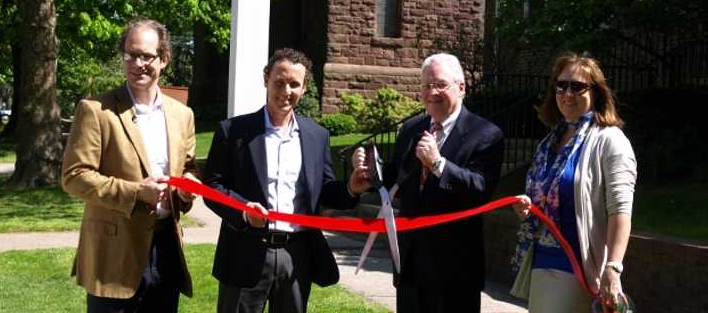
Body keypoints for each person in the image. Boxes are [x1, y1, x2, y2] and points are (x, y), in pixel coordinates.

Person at [202, 48, 371, 313]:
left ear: (304, 88)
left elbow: (323, 192)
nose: (286, 90)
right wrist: (245, 213)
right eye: (279, 82)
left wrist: (351, 187)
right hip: (245, 252)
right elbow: (213, 187)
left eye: (294, 84)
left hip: (297, 255)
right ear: (266, 79)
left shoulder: (317, 136)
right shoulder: (233, 131)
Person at [62, 18, 200, 312]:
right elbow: (75, 176)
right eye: (130, 54)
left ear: (164, 59)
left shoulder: (182, 115)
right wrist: (136, 192)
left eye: (146, 56)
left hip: (166, 252)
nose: (138, 63)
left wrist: (186, 190)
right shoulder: (96, 110)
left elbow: (187, 169)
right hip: (113, 256)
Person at [376, 52, 505, 313]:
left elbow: (481, 189)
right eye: (426, 85)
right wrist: (371, 173)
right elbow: (397, 182)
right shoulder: (413, 128)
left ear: (461, 87)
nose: (431, 92)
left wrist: (438, 165)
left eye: (440, 84)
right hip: (411, 264)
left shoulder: (486, 134)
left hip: (455, 269)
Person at [510, 52, 637, 312]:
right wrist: (528, 207)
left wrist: (613, 267)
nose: (567, 93)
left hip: (578, 267)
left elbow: (620, 210)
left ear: (596, 93)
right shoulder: (550, 142)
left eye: (577, 87)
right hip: (540, 262)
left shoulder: (610, 140)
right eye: (561, 85)